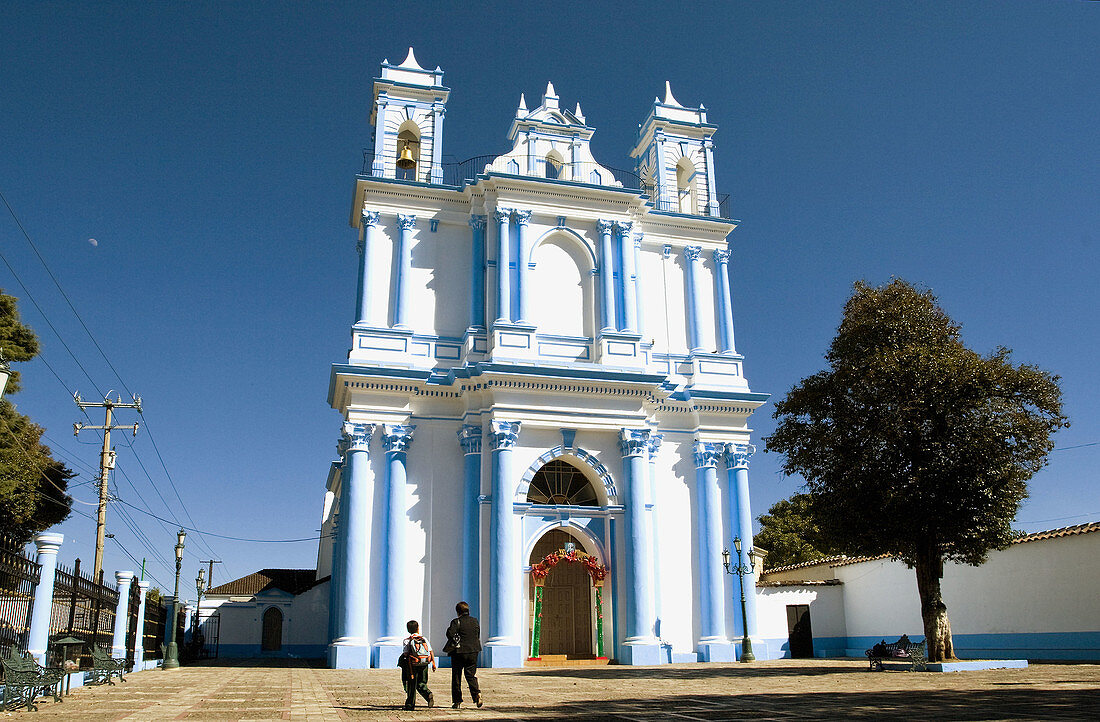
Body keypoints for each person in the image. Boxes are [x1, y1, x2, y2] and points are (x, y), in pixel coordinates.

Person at [444, 601, 483, 709]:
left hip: (459, 652)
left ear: (458, 611)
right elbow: (477, 634)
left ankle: (457, 701)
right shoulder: (475, 621)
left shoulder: (456, 622)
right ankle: (476, 695)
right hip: (473, 651)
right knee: (470, 675)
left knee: (456, 676)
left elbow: (450, 634)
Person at [400, 619, 435, 710]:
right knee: (421, 682)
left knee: (411, 684)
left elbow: (406, 653)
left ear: (408, 629)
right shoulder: (424, 639)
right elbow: (430, 651)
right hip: (424, 663)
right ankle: (428, 694)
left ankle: (410, 705)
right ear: (418, 628)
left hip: (413, 665)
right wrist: (433, 663)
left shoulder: (407, 640)